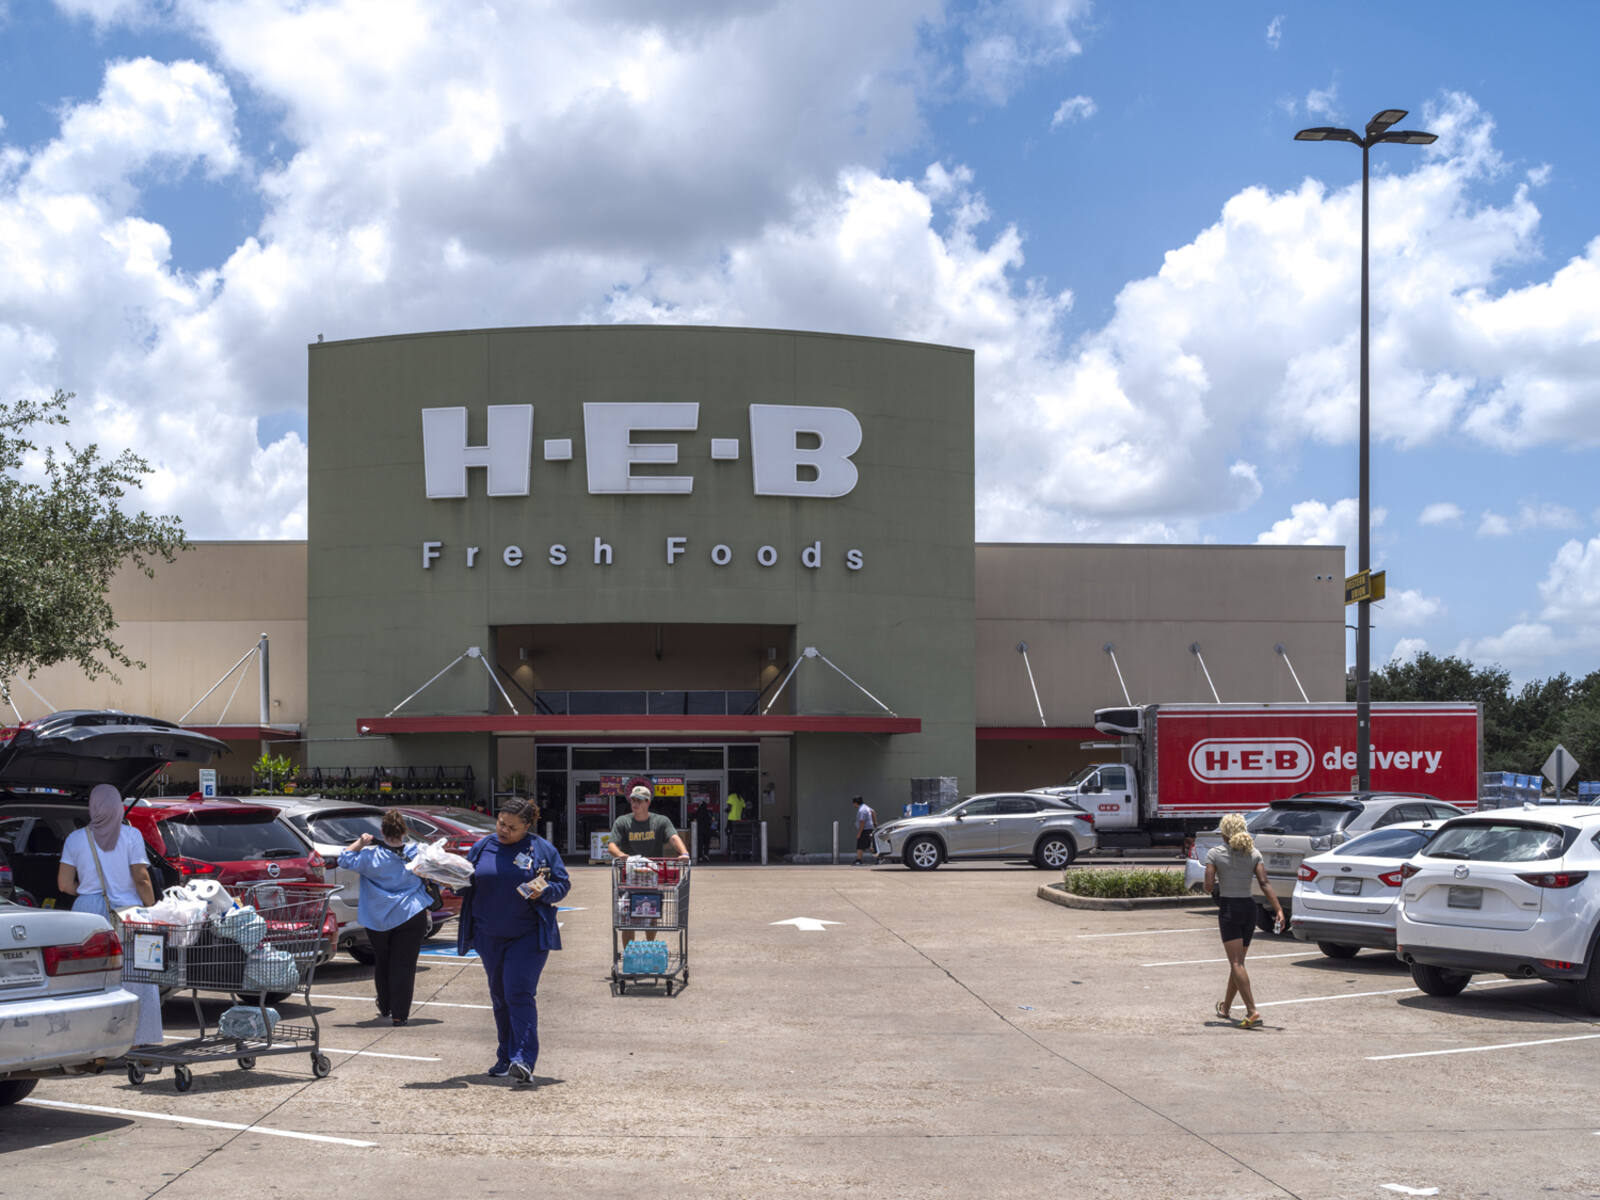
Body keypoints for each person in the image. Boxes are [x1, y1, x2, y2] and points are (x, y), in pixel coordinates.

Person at [457, 796, 570, 1084]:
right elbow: (464, 882)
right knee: (499, 997)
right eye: (500, 823)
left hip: (527, 936)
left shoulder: (541, 849)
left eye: (512, 827)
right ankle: (505, 1056)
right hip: (488, 935)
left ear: (527, 826)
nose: (503, 830)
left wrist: (542, 891)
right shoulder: (483, 846)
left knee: (518, 993)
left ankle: (523, 1059)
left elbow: (562, 884)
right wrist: (442, 876)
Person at [56, 784, 162, 1048]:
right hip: (129, 915)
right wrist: (152, 908)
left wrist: (88, 891)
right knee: (138, 978)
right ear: (118, 807)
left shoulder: (75, 838)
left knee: (91, 979)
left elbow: (64, 885)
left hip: (87, 915)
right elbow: (141, 878)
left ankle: (92, 1043)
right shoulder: (131, 835)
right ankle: (139, 1041)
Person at [338, 811, 433, 1026]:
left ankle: (385, 1005)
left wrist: (361, 841)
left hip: (378, 918)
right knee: (405, 965)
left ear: (382, 831)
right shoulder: (416, 852)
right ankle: (400, 1014)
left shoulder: (370, 856)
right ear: (404, 831)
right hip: (411, 912)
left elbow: (343, 858)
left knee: (383, 960)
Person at [1204, 812, 1284, 1029]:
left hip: (1230, 908)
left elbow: (1209, 886)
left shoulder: (1215, 853)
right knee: (1238, 962)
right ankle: (1226, 1008)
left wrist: (1215, 875)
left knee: (1236, 962)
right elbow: (1265, 883)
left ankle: (1251, 1010)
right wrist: (1278, 909)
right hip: (1250, 909)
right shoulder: (1253, 852)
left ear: (1224, 833)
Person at [607, 784, 689, 943]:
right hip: (629, 878)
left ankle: (649, 947)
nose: (635, 803)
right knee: (627, 920)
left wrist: (684, 853)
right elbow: (611, 845)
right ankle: (629, 953)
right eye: (633, 800)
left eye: (639, 800)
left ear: (647, 802)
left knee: (652, 916)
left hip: (652, 879)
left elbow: (673, 837)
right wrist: (622, 855)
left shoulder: (660, 821)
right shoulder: (623, 822)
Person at [851, 795, 878, 865]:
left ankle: (858, 860)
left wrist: (859, 833)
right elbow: (873, 811)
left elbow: (862, 822)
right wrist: (875, 823)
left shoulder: (861, 810)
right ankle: (878, 858)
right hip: (870, 828)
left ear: (855, 803)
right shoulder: (866, 807)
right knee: (869, 845)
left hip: (865, 829)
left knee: (860, 845)